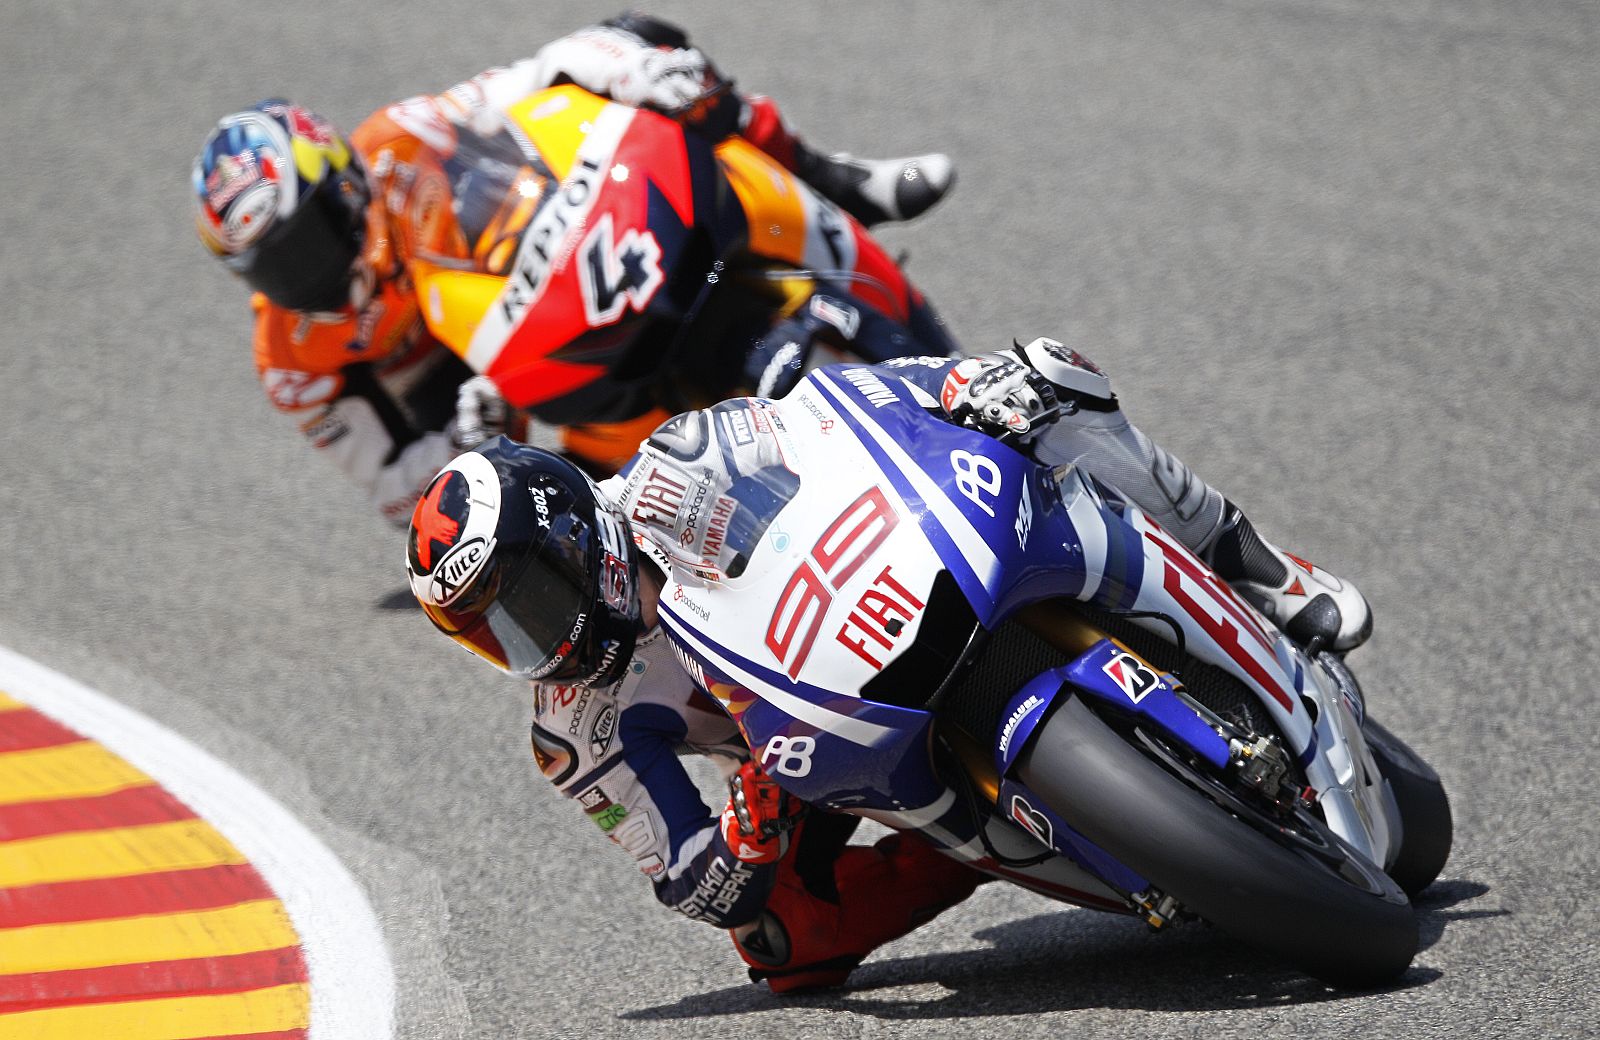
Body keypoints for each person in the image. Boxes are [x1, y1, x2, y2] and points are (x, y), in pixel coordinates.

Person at [402, 339, 1372, 993]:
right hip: (805, 759)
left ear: (577, 537)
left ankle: (1258, 564)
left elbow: (839, 411)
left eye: (526, 604)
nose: (536, 642)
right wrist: (743, 843)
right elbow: (689, 877)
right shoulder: (575, 727)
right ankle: (1014, 844)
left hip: (882, 599)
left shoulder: (676, 464)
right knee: (778, 945)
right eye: (496, 634)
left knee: (1050, 383)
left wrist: (957, 386)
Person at [191, 12, 957, 529]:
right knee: (539, 526)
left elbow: (539, 75)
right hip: (485, 393)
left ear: (345, 181)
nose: (309, 274)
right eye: (278, 268)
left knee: (644, 38)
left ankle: (832, 176)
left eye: (311, 238)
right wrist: (464, 450)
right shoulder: (292, 359)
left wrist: (630, 67)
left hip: (550, 271)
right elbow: (395, 489)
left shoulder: (399, 140)